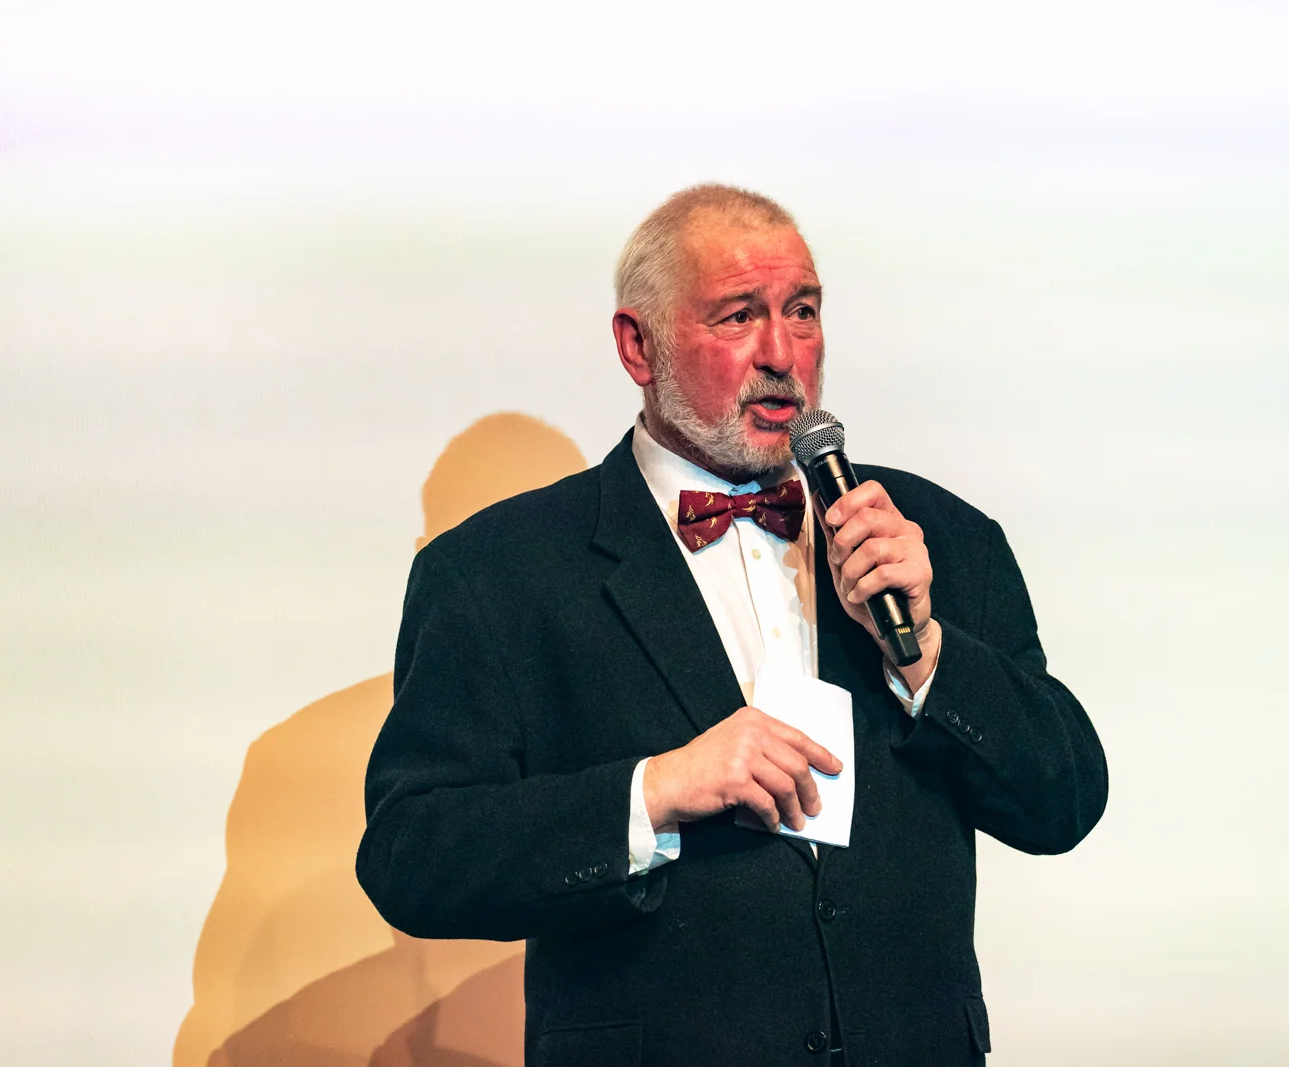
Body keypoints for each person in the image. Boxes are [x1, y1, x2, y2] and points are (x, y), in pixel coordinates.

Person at [356, 184, 1108, 1067]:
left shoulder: (937, 540)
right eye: (738, 317)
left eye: (803, 311)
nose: (782, 353)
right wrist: (655, 790)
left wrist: (931, 656)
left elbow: (1064, 800)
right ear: (641, 346)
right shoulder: (499, 573)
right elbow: (415, 856)